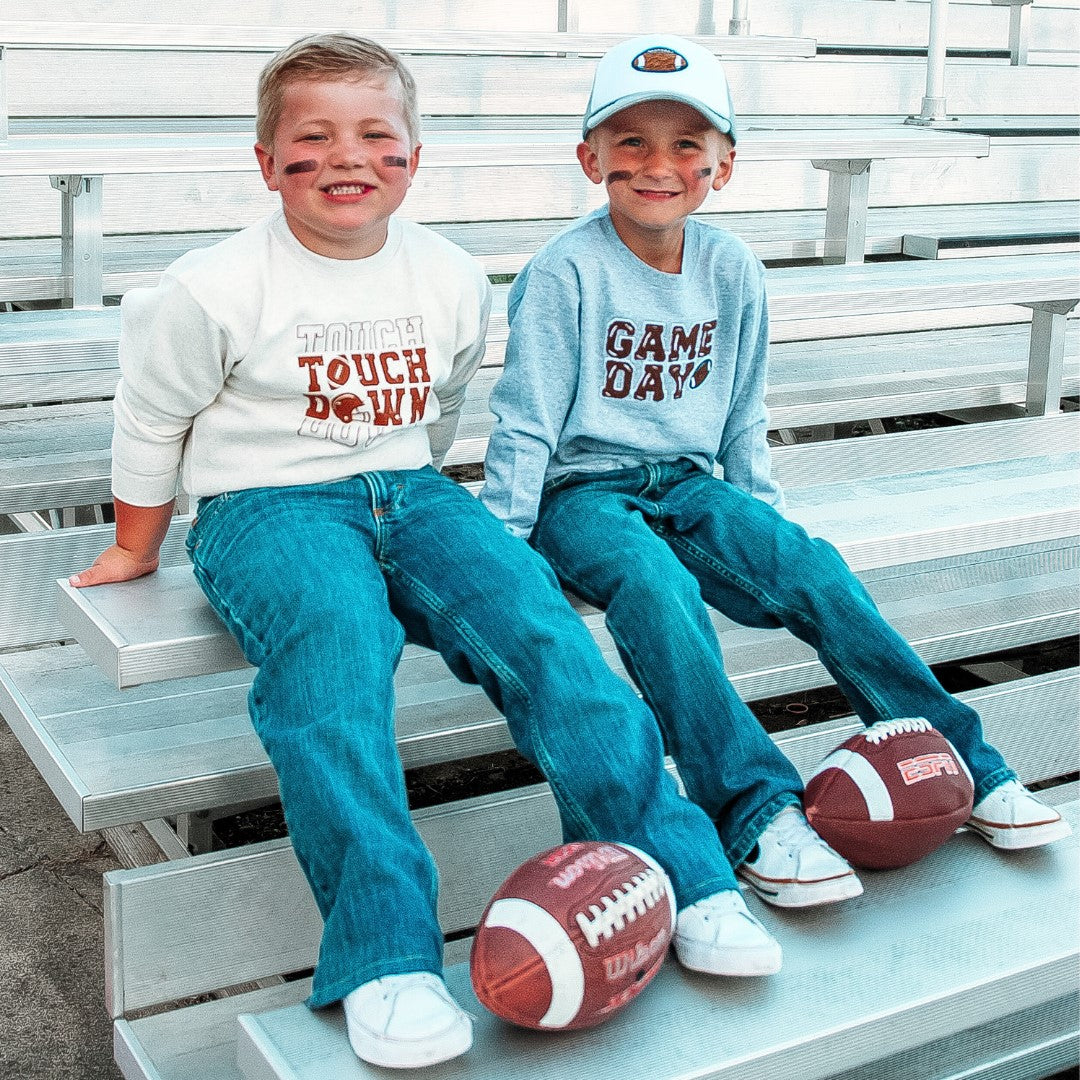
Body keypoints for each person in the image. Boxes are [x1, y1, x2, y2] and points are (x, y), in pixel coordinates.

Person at [70, 33, 792, 1071]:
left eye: (376, 135)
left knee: (544, 630)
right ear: (267, 161)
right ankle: (383, 955)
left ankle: (680, 873)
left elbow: (444, 402)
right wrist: (138, 548)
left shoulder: (451, 273)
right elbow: (150, 420)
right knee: (335, 648)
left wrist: (416, 511)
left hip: (413, 490)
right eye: (312, 139)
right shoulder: (209, 288)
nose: (347, 158)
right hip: (265, 506)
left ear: (415, 155)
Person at [481, 33, 1072, 931]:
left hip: (688, 482)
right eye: (631, 141)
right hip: (583, 493)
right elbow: (524, 422)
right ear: (590, 156)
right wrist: (505, 551)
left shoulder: (733, 270)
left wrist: (762, 529)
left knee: (815, 570)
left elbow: (741, 413)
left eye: (686, 144)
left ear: (724, 165)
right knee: (656, 588)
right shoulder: (565, 272)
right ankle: (756, 813)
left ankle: (967, 764)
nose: (658, 164)